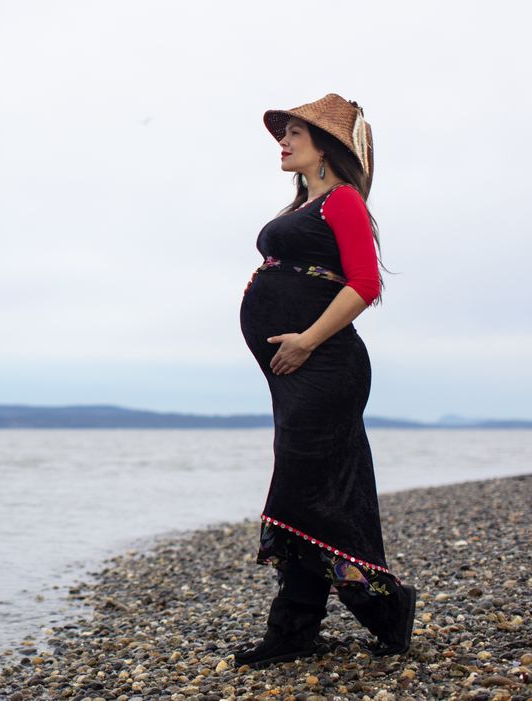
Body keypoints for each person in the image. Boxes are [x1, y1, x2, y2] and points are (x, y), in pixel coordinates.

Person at [234, 94, 416, 669]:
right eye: (282, 133)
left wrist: (307, 339)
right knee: (319, 491)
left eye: (294, 134)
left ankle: (299, 628)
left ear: (326, 146)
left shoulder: (342, 202)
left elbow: (364, 284)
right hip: (296, 372)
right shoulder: (301, 207)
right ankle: (370, 613)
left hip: (325, 365)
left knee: (300, 489)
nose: (283, 143)